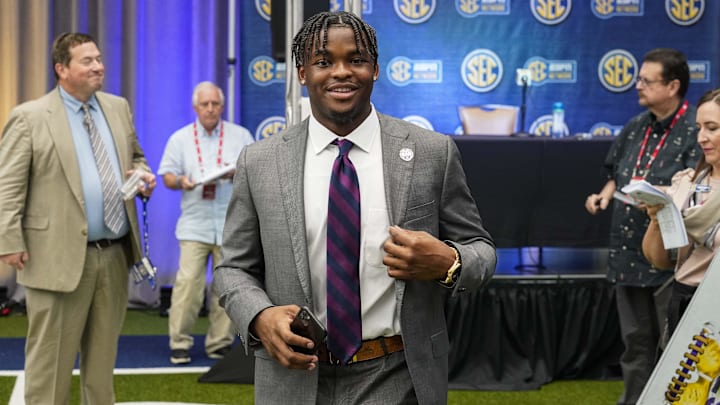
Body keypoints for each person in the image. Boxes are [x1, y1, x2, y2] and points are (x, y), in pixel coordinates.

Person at [214, 11, 497, 404]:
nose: (341, 72)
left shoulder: (433, 152)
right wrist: (260, 317)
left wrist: (448, 262)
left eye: (357, 60)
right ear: (302, 72)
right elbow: (232, 269)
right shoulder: (259, 162)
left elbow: (482, 251)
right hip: (293, 378)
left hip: (398, 375)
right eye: (324, 61)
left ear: (376, 69)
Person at [0, 32, 156, 404]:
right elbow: (7, 185)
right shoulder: (29, 117)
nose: (98, 66)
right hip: (53, 257)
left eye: (99, 59)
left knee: (102, 364)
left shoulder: (117, 107)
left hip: (114, 254)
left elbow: (136, 156)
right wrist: (9, 241)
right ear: (61, 69)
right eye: (87, 61)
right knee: (49, 364)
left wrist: (143, 175)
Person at [585, 48, 701, 405]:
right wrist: (604, 194)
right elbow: (615, 171)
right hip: (626, 249)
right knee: (635, 339)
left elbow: (698, 186)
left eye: (647, 81)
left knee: (673, 339)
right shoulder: (637, 124)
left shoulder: (698, 127)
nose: (638, 86)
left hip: (671, 254)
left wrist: (660, 193)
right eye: (639, 79)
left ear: (673, 86)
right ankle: (634, 399)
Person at [158, 81, 254, 364]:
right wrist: (181, 182)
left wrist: (237, 174)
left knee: (226, 288)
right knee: (187, 285)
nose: (210, 109)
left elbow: (253, 173)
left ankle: (219, 344)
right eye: (205, 104)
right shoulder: (180, 139)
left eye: (215, 104)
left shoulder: (241, 135)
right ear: (195, 107)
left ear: (222, 106)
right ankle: (179, 343)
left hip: (230, 224)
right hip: (194, 224)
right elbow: (167, 176)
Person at [642, 88, 720, 341]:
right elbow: (660, 261)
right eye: (699, 128)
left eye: (712, 128)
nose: (701, 138)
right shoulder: (685, 184)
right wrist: (656, 219)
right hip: (686, 303)